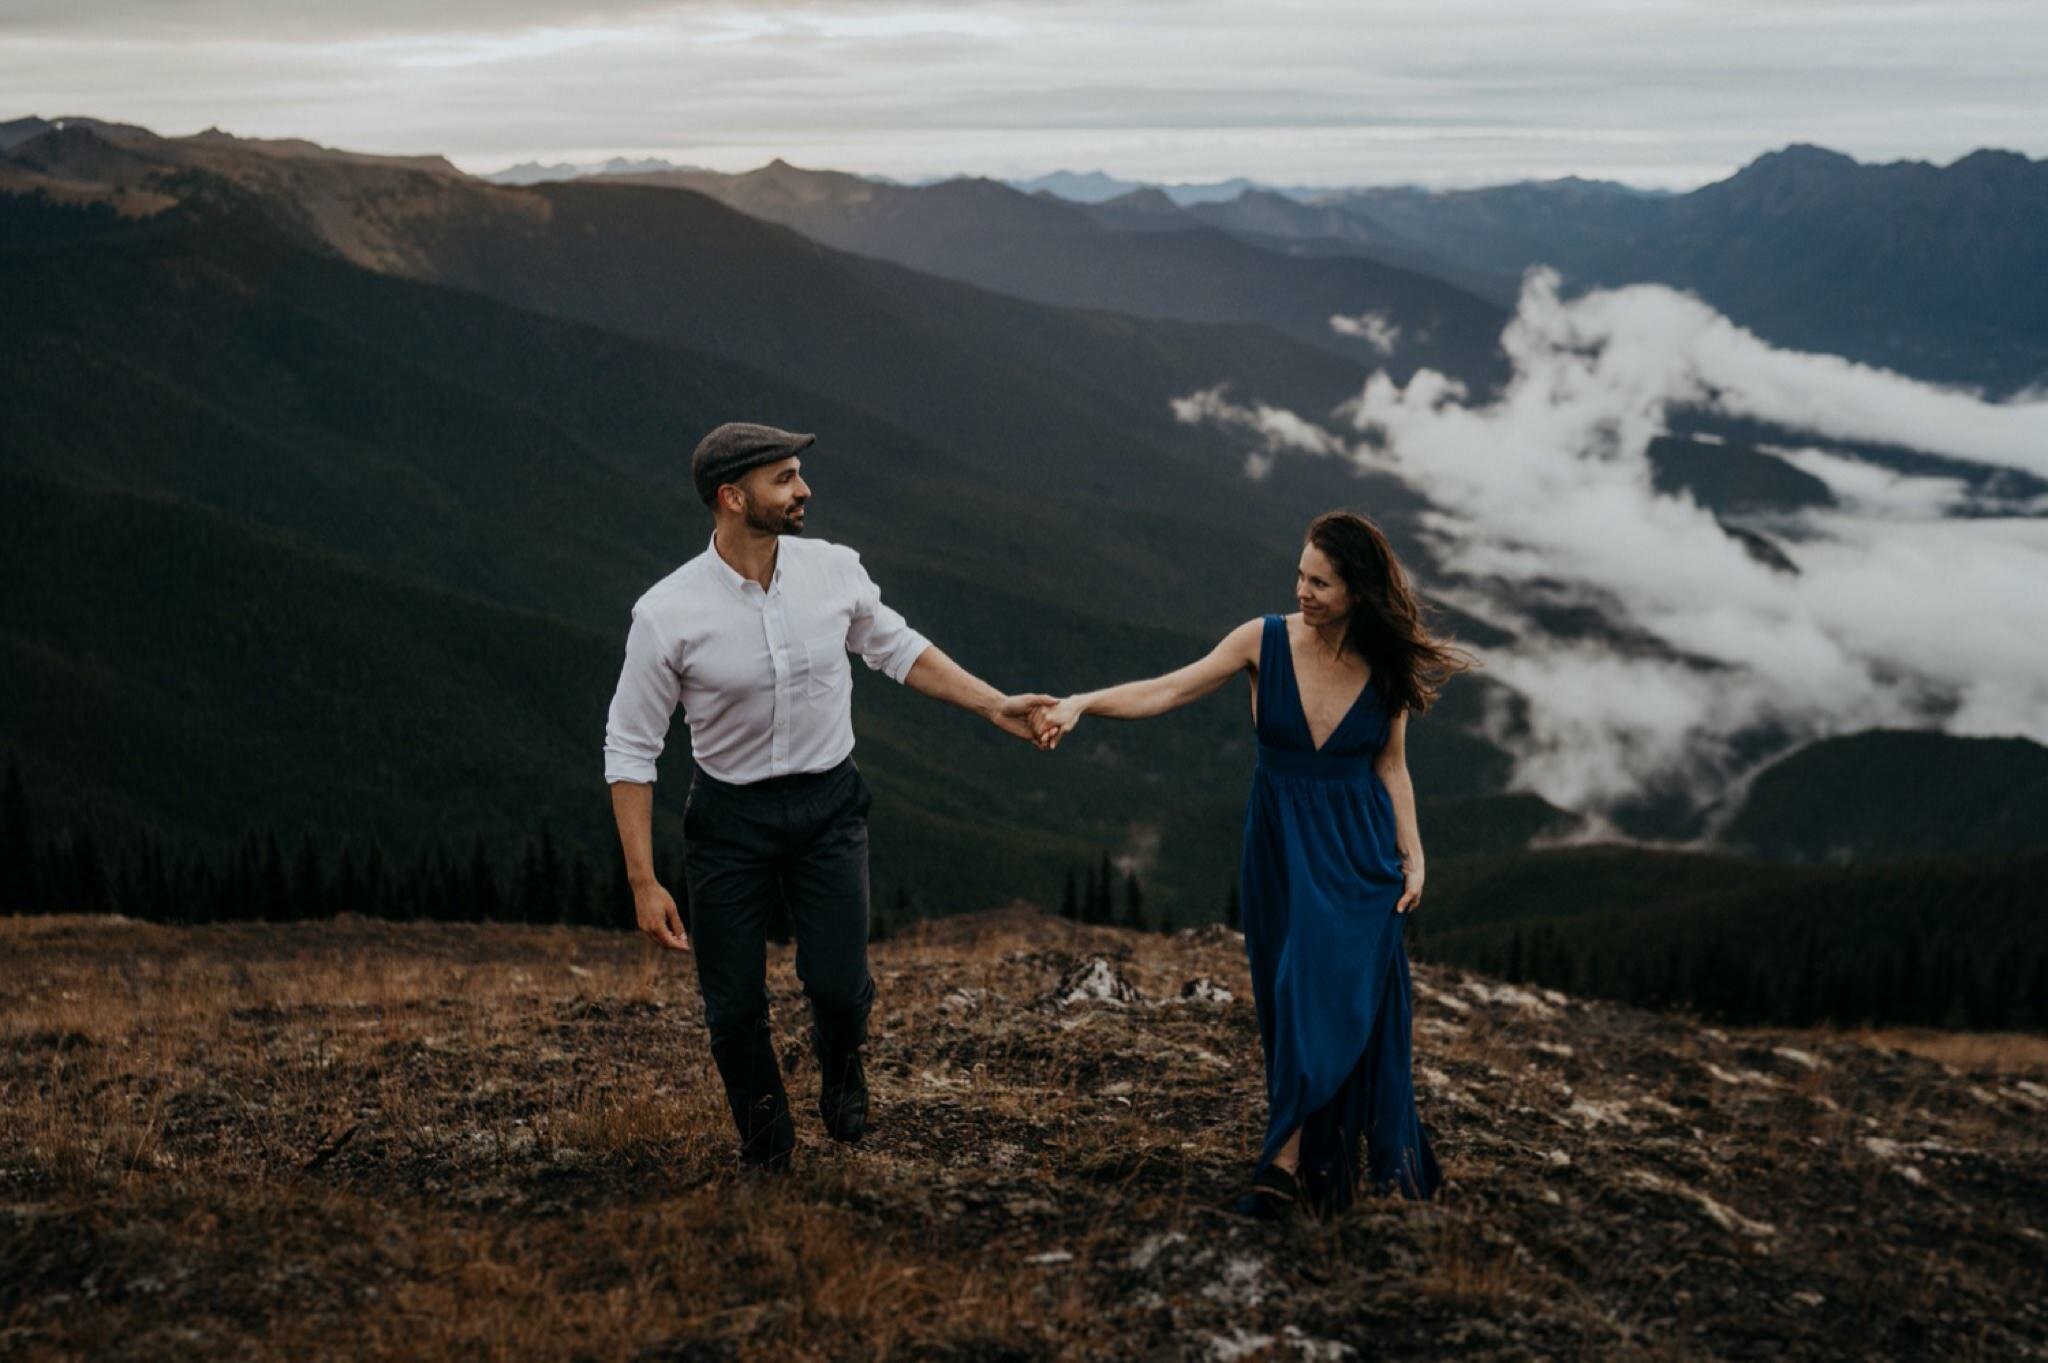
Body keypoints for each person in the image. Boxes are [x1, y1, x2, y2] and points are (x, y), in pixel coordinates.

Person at [603, 421, 1054, 1172]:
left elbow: (899, 647)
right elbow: (630, 746)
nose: (804, 489)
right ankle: (767, 1149)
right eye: (784, 478)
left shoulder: (835, 570)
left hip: (829, 808)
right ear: (732, 496)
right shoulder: (666, 613)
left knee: (842, 987)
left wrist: (993, 703)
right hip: (728, 822)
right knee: (734, 1006)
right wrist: (643, 881)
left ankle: (841, 1059)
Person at [1033, 510, 1476, 1219]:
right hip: (1279, 847)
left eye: (1321, 582)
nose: (1303, 590)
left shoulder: (1384, 665)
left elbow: (1391, 767)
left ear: (1357, 591)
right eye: (1300, 574)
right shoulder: (1261, 641)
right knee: (1288, 992)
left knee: (1321, 990)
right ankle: (1301, 1160)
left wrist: (1414, 857)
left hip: (1360, 854)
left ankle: (1283, 1164)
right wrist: (1084, 703)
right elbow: (1169, 688)